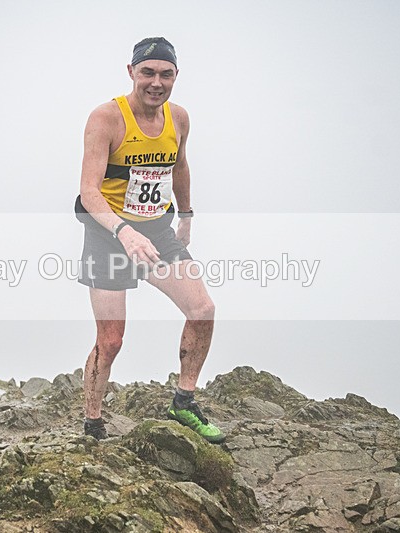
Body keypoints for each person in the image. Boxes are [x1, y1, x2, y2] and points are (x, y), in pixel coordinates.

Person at [76, 38, 224, 443]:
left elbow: (179, 165)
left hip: (156, 230)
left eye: (166, 74)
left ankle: (184, 401)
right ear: (131, 72)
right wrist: (123, 232)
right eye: (148, 73)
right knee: (111, 340)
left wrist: (187, 215)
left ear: (176, 76)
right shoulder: (106, 118)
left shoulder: (179, 118)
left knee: (203, 309)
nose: (156, 83)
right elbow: (89, 192)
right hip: (108, 232)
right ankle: (92, 423)